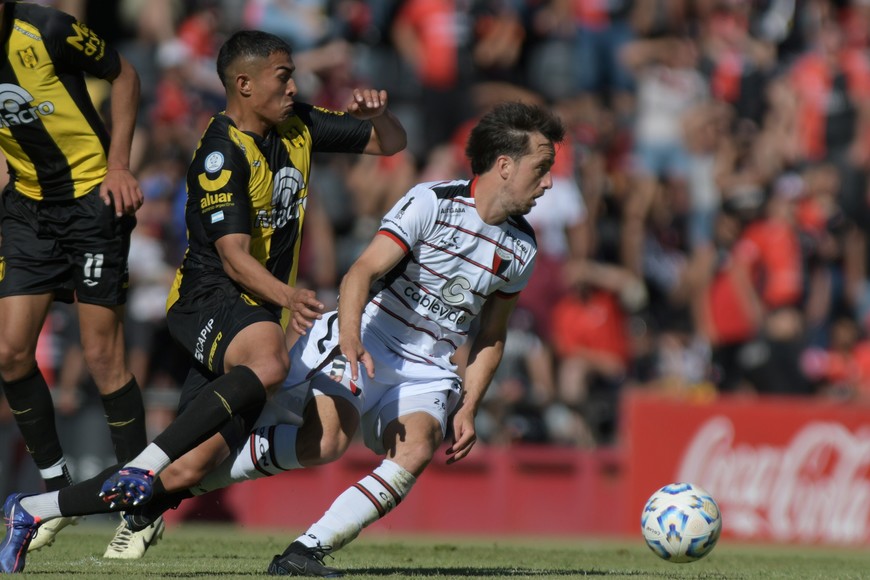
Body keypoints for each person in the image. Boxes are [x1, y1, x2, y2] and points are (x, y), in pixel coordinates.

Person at [0, 100, 559, 577]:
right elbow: (359, 274)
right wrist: (348, 339)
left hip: (429, 367)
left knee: (415, 446)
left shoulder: (523, 248)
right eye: (542, 168)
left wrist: (470, 404)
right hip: (363, 334)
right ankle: (43, 505)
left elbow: (492, 333)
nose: (550, 182)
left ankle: (303, 551)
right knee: (229, 460)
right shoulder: (432, 203)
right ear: (504, 166)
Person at [0, 27, 407, 575]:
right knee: (267, 361)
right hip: (207, 299)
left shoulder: (300, 124)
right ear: (244, 84)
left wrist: (377, 113)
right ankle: (143, 461)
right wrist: (289, 294)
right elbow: (235, 257)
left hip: (256, 309)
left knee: (185, 472)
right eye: (283, 76)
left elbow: (391, 143)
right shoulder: (219, 154)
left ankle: (30, 509)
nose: (294, 85)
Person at [0, 1, 162, 559]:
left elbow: (125, 74)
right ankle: (54, 493)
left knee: (102, 356)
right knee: (11, 355)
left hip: (93, 202)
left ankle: (141, 510)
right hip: (26, 210)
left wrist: (120, 164)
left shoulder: (45, 29)